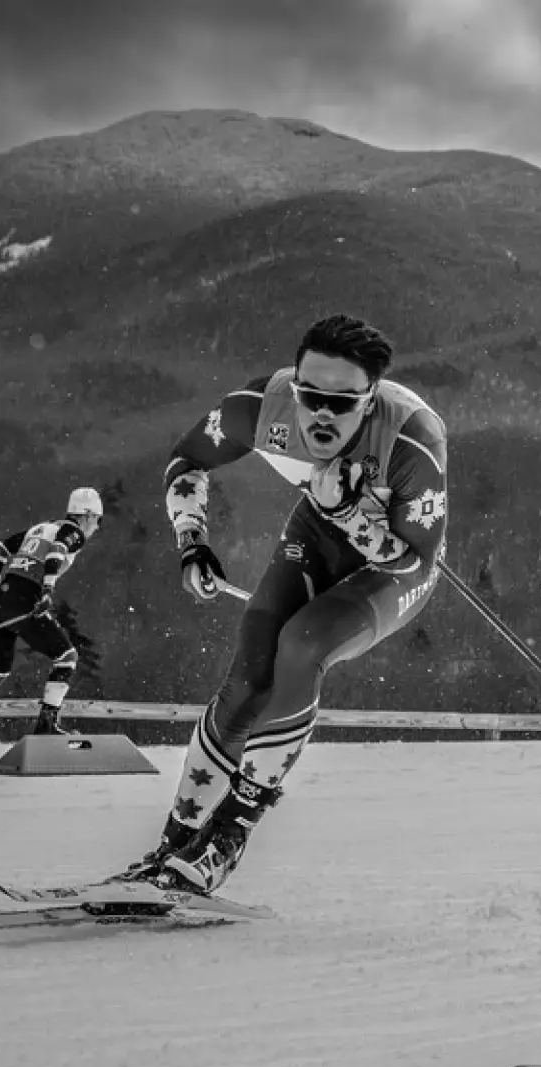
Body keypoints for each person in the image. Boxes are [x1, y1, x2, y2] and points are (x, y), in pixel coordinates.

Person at [116, 313, 449, 897]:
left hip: (390, 564)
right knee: (247, 672)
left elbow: (412, 561)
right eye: (309, 396)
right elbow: (186, 458)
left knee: (302, 646)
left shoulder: (414, 439)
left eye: (341, 404)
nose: (322, 413)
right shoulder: (260, 407)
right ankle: (174, 845)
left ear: (369, 402)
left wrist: (351, 514)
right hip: (320, 530)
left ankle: (226, 839)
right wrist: (191, 540)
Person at [0, 487, 104, 743]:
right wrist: (47, 589)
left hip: (3, 599)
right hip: (25, 599)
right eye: (98, 520)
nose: (97, 527)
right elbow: (57, 552)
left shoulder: (41, 527)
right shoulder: (74, 532)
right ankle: (47, 725)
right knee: (67, 657)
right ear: (87, 515)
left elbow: (0, 551)